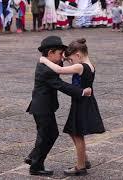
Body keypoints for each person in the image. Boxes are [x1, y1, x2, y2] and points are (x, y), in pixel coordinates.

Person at [25, 36, 92, 176]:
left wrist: (67, 57)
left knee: (45, 134)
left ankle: (33, 157)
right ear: (50, 53)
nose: (62, 57)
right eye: (60, 53)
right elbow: (61, 85)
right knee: (48, 135)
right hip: (42, 108)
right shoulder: (46, 70)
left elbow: (59, 67)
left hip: (43, 107)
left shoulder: (48, 64)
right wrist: (81, 92)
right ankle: (36, 166)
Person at [40, 38, 105, 176]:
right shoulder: (89, 64)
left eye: (70, 60)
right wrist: (66, 56)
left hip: (81, 103)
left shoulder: (80, 66)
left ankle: (80, 167)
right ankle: (84, 159)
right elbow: (69, 63)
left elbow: (59, 69)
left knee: (77, 134)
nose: (69, 62)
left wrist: (44, 60)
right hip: (83, 101)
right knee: (72, 131)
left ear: (78, 56)